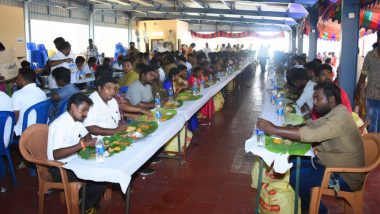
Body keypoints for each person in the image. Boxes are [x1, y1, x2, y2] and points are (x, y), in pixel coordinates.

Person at [257, 82, 365, 214]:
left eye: (318, 98)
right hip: (332, 164)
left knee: (297, 177)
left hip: (344, 175)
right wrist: (291, 127)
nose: (314, 102)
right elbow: (312, 125)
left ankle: (319, 210)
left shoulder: (340, 118)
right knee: (294, 162)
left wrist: (274, 129)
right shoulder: (335, 112)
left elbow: (313, 133)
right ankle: (306, 203)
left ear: (331, 99)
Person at [47, 93, 106, 213]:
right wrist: (84, 145)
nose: (85, 114)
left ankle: (86, 202)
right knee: (99, 179)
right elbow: (56, 154)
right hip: (59, 167)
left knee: (103, 173)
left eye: (87, 111)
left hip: (73, 161)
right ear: (73, 107)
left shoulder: (77, 121)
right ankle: (84, 206)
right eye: (83, 110)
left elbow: (87, 135)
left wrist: (88, 141)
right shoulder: (61, 124)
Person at [355, 31, 380, 132]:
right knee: (371, 125)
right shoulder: (370, 55)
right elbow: (364, 73)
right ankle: (373, 146)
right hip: (371, 96)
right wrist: (358, 89)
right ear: (378, 40)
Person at [12, 68, 47, 136]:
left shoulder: (17, 94)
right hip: (41, 129)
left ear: (24, 81)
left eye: (18, 79)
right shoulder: (42, 92)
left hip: (24, 132)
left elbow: (15, 119)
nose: (16, 81)